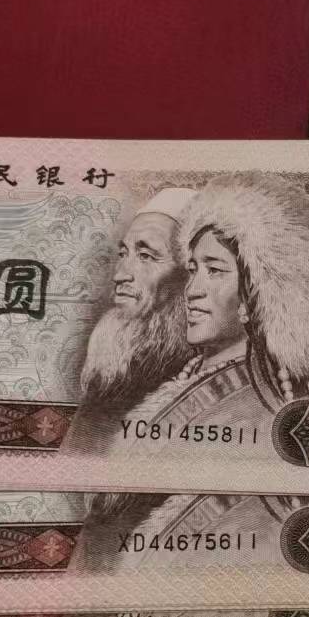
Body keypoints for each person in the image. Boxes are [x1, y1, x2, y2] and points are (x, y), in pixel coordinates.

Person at [120, 172, 309, 441]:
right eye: (193, 270)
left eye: (214, 270)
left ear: (256, 293)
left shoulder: (250, 408)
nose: (192, 290)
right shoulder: (194, 373)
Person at [67, 187, 197, 453]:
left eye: (146, 256)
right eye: (123, 254)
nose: (120, 275)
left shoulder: (203, 382)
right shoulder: (109, 380)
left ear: (190, 275)